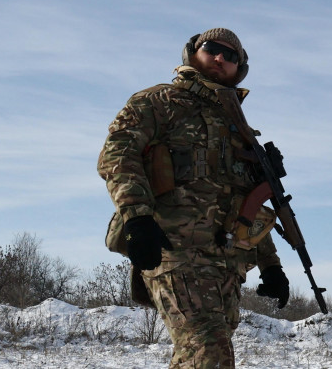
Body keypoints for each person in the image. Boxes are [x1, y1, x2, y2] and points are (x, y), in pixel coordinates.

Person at [98, 28, 289, 368]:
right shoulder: (158, 101)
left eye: (231, 55)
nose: (220, 57)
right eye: (212, 48)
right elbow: (117, 156)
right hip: (173, 249)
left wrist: (270, 265)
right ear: (193, 52)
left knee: (200, 353)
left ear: (240, 67)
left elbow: (249, 205)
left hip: (226, 263)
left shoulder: (240, 129)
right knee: (207, 349)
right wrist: (137, 218)